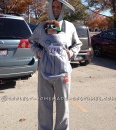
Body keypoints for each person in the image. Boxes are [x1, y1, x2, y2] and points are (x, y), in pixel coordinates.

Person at [28, 0, 82, 130]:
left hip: (63, 74)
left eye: (58, 6)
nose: (56, 8)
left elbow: (78, 44)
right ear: (50, 8)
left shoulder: (69, 26)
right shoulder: (42, 26)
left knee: (63, 104)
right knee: (44, 103)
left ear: (62, 8)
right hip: (44, 73)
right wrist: (39, 52)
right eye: (53, 6)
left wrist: (71, 53)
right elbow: (31, 42)